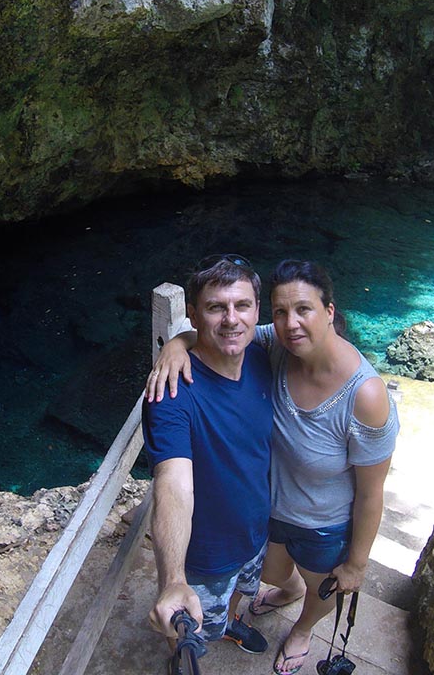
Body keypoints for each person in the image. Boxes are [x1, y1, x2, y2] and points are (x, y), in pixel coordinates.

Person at [147, 259, 396, 675]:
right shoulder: (194, 382)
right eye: (281, 312)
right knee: (201, 625)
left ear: (330, 311)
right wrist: (175, 343)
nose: (291, 323)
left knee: (281, 588)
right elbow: (173, 482)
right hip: (241, 534)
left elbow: (373, 492)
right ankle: (198, 644)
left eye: (242, 306)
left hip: (296, 527)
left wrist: (357, 563)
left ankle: (268, 625)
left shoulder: (344, 387)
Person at [143, 254, 274, 661]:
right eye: (216, 307)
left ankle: (232, 621)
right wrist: (173, 579)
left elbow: (314, 329)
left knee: (239, 593)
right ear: (194, 316)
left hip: (256, 532)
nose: (231, 319)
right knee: (188, 631)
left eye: (242, 306)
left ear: (257, 312)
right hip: (206, 554)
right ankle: (181, 661)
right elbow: (173, 484)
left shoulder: (261, 353)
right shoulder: (173, 394)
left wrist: (178, 342)